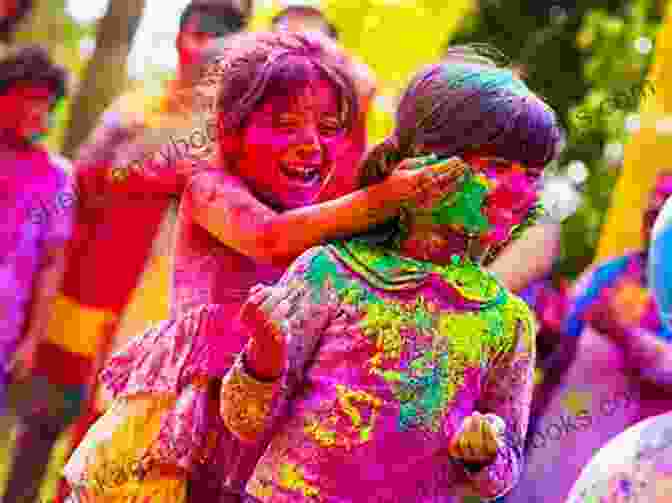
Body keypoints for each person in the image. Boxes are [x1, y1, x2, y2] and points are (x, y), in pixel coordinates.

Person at [61, 31, 456, 503]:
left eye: (329, 128)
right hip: (190, 423)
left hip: (266, 419)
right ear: (231, 129)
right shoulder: (209, 190)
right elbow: (270, 238)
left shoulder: (326, 224)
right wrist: (385, 197)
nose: (311, 144)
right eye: (286, 125)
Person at [217, 46, 562, 502]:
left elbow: (501, 475)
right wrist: (264, 355)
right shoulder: (332, 274)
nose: (517, 189)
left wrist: (485, 452)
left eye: (532, 175)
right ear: (422, 165)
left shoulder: (507, 321)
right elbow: (244, 419)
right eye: (496, 168)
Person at [12, 3, 248, 503]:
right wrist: (141, 179)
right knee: (42, 421)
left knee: (104, 435)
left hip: (150, 301)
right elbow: (76, 184)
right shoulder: (133, 107)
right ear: (184, 36)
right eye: (199, 35)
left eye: (219, 45)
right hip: (85, 285)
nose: (204, 50)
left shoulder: (224, 137)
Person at [506, 171, 672, 503]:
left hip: (626, 455)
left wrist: (623, 335)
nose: (651, 226)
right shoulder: (609, 271)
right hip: (553, 433)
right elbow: (563, 339)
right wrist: (546, 332)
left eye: (661, 217)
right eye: (650, 214)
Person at [0, 45, 73, 503]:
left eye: (46, 103)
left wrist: (32, 339)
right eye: (27, 98)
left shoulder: (57, 178)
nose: (37, 111)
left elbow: (52, 263)